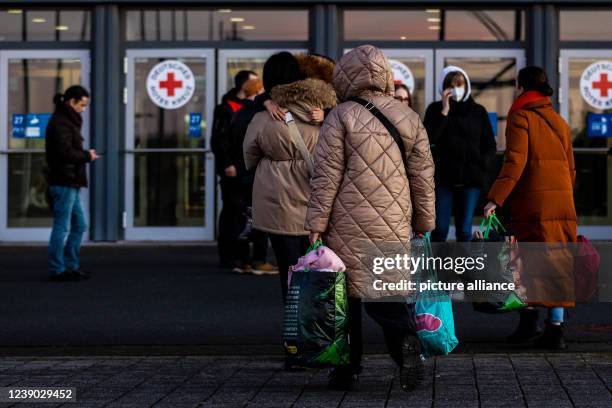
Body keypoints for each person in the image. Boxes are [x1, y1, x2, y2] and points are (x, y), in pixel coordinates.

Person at [305, 45, 435, 392]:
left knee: (345, 300)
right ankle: (406, 345)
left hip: (345, 221)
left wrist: (316, 225)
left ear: (346, 76)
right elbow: (423, 177)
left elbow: (326, 176)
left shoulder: (341, 115)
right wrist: (424, 224)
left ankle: (347, 370)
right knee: (387, 294)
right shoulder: (409, 117)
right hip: (393, 222)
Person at [484, 66, 577, 350]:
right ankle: (555, 329)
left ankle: (529, 324)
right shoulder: (558, 120)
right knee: (557, 261)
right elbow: (571, 167)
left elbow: (515, 161)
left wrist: (495, 198)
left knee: (526, 260)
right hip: (561, 200)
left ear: (520, 86)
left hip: (533, 202)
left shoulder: (520, 115)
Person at [243, 52, 336, 302]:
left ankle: (294, 334)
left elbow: (249, 157)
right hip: (316, 202)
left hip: (278, 204)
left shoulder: (264, 117)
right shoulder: (325, 114)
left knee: (289, 272)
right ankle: (319, 330)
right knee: (320, 269)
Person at [424, 66, 497, 242]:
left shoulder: (478, 111)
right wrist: (444, 111)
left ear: (466, 86)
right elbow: (427, 139)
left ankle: (463, 269)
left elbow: (489, 144)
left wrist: (482, 165)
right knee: (440, 228)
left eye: (460, 85)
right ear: (444, 88)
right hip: (443, 180)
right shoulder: (435, 109)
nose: (456, 89)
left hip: (470, 179)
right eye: (451, 85)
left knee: (464, 230)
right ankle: (437, 268)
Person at [45, 85, 98, 281]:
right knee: (62, 227)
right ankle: (57, 269)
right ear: (71, 102)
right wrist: (87, 155)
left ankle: (70, 265)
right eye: (82, 105)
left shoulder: (68, 121)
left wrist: (85, 155)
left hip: (71, 181)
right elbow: (64, 153)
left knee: (80, 225)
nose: (83, 109)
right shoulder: (61, 123)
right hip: (64, 181)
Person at [212, 70, 258, 270]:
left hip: (249, 169)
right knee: (232, 211)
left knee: (246, 213)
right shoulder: (225, 108)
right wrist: (226, 164)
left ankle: (245, 257)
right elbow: (218, 139)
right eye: (255, 82)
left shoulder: (255, 107)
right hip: (232, 169)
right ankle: (228, 256)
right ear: (243, 85)